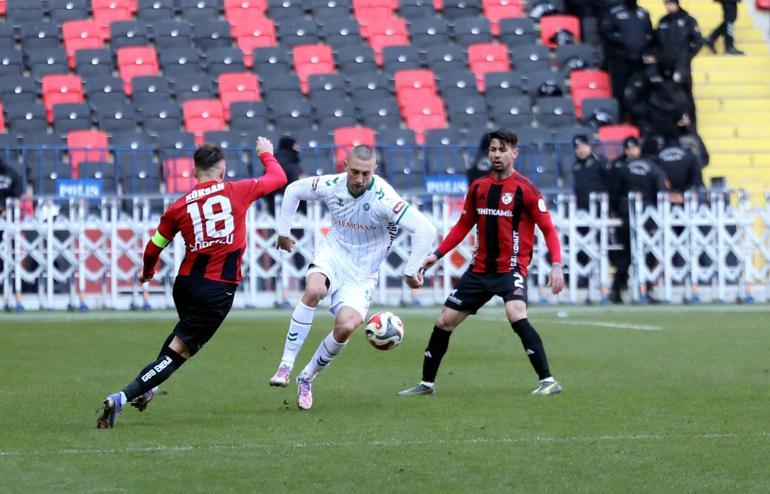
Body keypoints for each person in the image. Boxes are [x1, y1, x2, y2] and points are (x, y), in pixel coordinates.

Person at [97, 138, 287, 428]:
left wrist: (148, 272)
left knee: (181, 338)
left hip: (185, 286)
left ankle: (148, 388)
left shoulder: (179, 206)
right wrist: (266, 155)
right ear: (222, 172)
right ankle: (122, 397)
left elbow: (153, 246)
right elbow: (278, 178)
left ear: (194, 172)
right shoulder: (238, 190)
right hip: (216, 289)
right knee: (179, 353)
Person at [398, 129, 565, 398]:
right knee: (444, 321)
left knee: (516, 314)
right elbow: (463, 224)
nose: (496, 155)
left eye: (502, 150)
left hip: (510, 268)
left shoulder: (526, 190)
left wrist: (557, 265)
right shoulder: (479, 187)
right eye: (493, 150)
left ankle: (548, 380)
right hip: (478, 270)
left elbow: (548, 229)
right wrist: (437, 255)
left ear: (514, 153)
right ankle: (426, 384)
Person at [268, 144, 437, 410]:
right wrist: (282, 231)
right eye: (355, 172)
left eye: (365, 174)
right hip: (333, 255)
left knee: (346, 327)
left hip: (363, 274)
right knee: (314, 291)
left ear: (374, 171)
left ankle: (307, 377)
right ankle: (285, 366)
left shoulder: (384, 198)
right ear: (345, 166)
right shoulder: (333, 184)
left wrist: (409, 271)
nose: (359, 179)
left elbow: (425, 229)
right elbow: (293, 190)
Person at [608, 136, 667, 304]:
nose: (631, 151)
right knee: (644, 254)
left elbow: (614, 193)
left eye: (633, 148)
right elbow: (660, 192)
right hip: (647, 216)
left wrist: (615, 210)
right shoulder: (653, 168)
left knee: (626, 254)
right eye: (628, 148)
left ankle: (618, 290)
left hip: (628, 215)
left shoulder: (622, 168)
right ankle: (643, 289)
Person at [600, 0, 655, 118]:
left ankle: (638, 120)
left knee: (641, 89)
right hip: (621, 60)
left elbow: (650, 34)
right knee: (619, 89)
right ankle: (620, 117)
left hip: (639, 60)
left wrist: (643, 45)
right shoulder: (615, 13)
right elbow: (607, 33)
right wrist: (624, 41)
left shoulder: (643, 13)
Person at [656, 0, 704, 106]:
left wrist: (688, 56)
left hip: (682, 64)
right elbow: (656, 42)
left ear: (676, 4)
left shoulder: (688, 20)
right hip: (665, 65)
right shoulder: (663, 21)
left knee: (685, 93)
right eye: (667, 4)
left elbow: (698, 40)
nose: (668, 6)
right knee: (667, 94)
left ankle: (691, 121)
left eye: (670, 3)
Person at [571, 134, 611, 211]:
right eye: (577, 148)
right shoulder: (575, 166)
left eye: (583, 147)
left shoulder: (600, 162)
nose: (581, 150)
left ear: (589, 146)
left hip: (600, 206)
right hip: (581, 207)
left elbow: (610, 183)